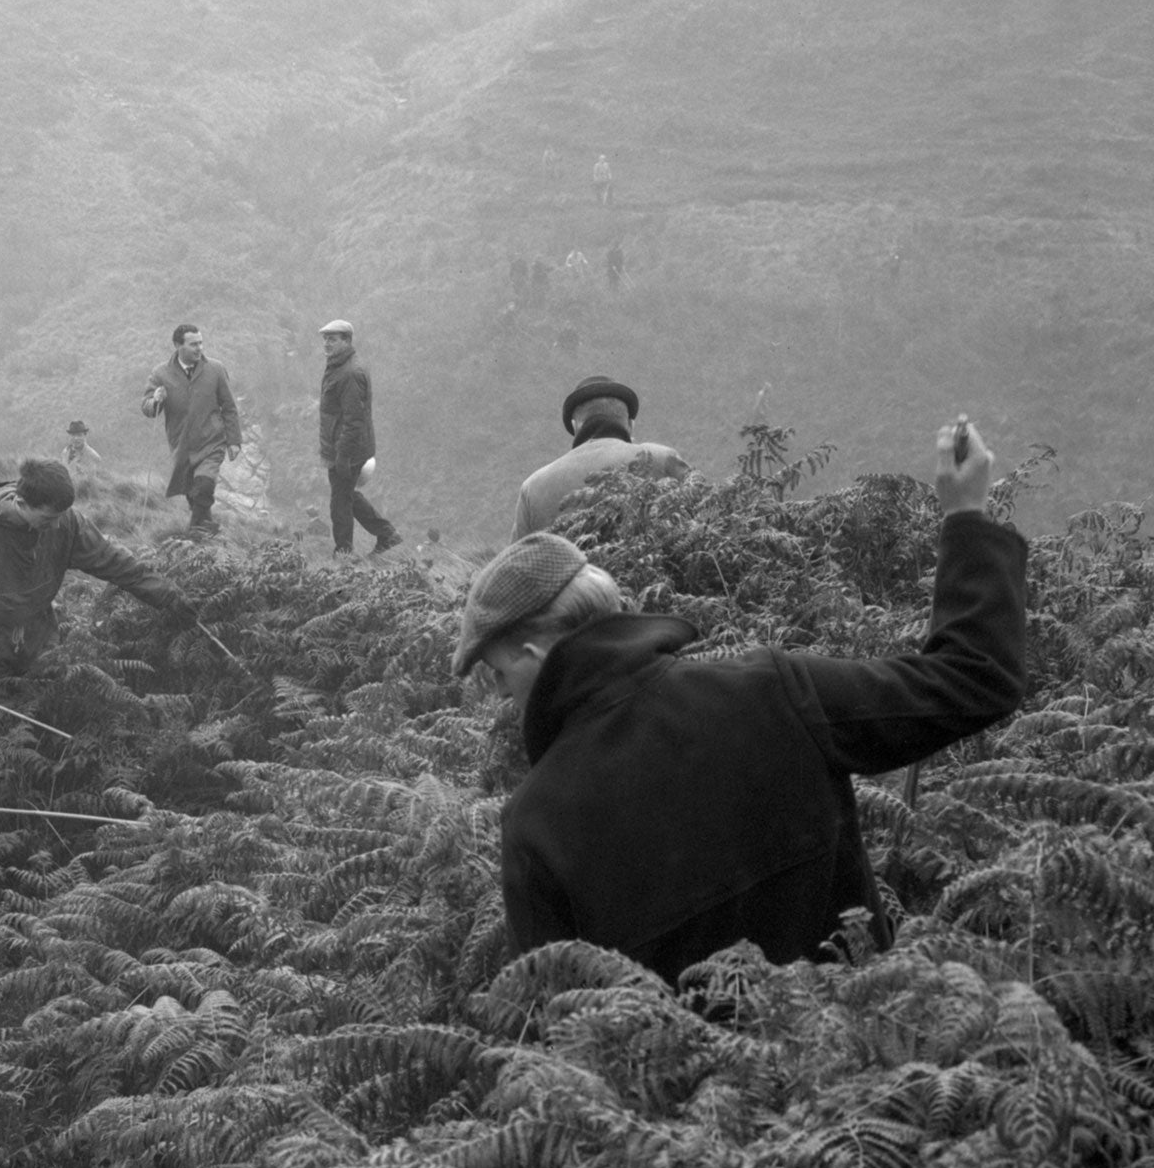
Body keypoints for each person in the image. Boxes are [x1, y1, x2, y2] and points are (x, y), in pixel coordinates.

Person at [453, 416, 1026, 984]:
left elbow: (562, 1040)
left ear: (531, 654)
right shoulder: (769, 690)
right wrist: (965, 516)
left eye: (497, 671)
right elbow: (973, 677)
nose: (500, 692)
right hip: (866, 1053)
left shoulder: (535, 824)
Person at [0, 456, 195, 690]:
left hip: (40, 644)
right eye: (49, 518)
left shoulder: (66, 522)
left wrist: (166, 595)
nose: (58, 525)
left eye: (62, 516)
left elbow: (112, 560)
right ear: (20, 502)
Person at [511, 375, 692, 540]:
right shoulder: (661, 459)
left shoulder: (533, 487)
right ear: (631, 424)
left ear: (575, 427)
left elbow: (514, 568)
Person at [140, 323, 241, 534]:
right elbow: (148, 408)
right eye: (193, 344)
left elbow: (229, 407)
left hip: (212, 441)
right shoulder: (161, 373)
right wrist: (155, 400)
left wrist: (234, 441)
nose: (199, 348)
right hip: (181, 445)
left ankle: (193, 533)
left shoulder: (216, 369)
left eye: (201, 343)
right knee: (194, 494)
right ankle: (207, 529)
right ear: (178, 345)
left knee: (204, 485)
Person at [316, 320, 401, 557]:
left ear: (347, 341)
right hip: (342, 448)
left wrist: (342, 456)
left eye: (332, 339)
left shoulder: (351, 373)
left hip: (348, 450)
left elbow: (354, 421)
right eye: (325, 338)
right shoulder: (338, 366)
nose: (326, 343)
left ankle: (343, 553)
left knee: (339, 503)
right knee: (346, 495)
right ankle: (387, 534)